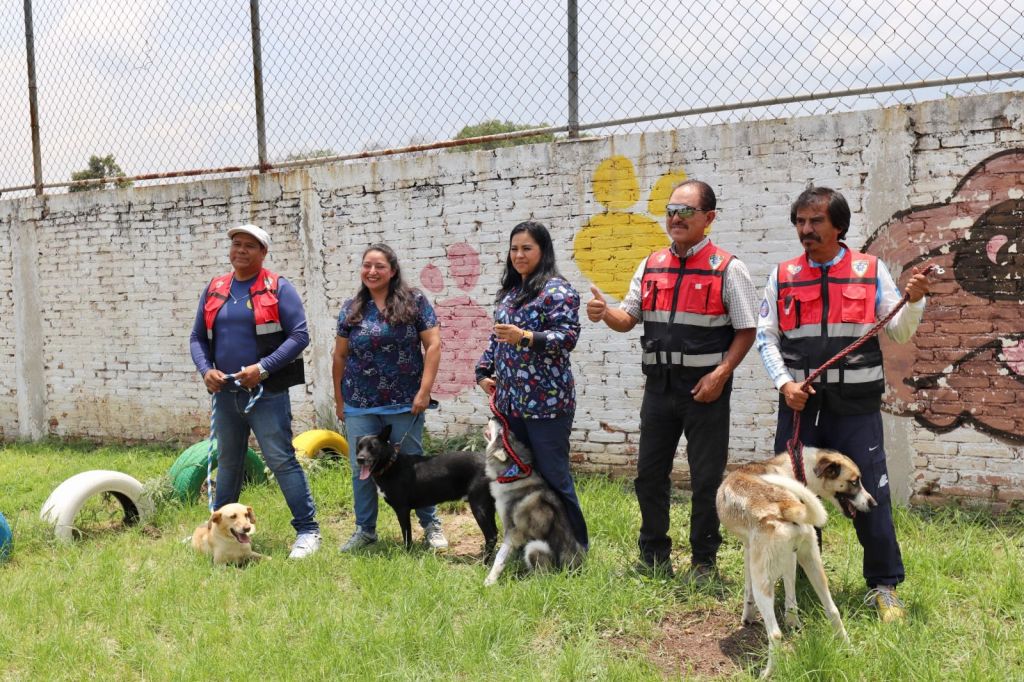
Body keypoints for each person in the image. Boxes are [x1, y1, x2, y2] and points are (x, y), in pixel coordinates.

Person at [755, 186, 929, 622]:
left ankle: (884, 587)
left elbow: (900, 331)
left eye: (815, 222)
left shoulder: (870, 271)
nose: (805, 230)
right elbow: (766, 337)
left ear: (839, 226)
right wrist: (783, 385)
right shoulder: (783, 275)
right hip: (799, 408)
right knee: (789, 495)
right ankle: (793, 581)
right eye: (800, 221)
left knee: (870, 493)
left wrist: (917, 300)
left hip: (855, 409)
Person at [587, 180, 757, 582]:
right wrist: (604, 312)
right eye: (670, 211)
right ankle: (653, 555)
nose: (675, 218)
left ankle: (703, 561)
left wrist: (719, 375)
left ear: (709, 218)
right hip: (659, 389)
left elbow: (747, 330)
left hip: (705, 392)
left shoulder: (728, 268)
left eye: (686, 211)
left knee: (704, 480)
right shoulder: (650, 265)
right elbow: (628, 319)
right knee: (649, 474)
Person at [189, 224, 321, 559]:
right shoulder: (216, 288)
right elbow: (197, 339)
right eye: (236, 244)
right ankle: (216, 534)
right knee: (229, 462)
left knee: (280, 460)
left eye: (250, 246)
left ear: (263, 253)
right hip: (226, 393)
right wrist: (207, 371)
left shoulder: (278, 288)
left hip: (267, 394)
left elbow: (300, 336)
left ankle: (307, 531)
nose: (241, 250)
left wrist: (262, 368)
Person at [476, 221, 589, 550]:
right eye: (514, 248)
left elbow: (567, 338)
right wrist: (483, 373)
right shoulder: (509, 294)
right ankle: (529, 543)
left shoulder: (558, 291)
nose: (519, 254)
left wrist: (525, 337)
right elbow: (495, 341)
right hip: (511, 405)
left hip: (548, 404)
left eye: (527, 248)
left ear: (543, 251)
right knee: (520, 478)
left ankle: (575, 548)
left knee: (554, 477)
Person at [333, 243, 448, 552]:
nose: (372, 271)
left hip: (404, 402)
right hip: (359, 402)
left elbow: (433, 346)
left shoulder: (414, 302)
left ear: (393, 270)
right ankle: (365, 531)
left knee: (414, 468)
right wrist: (339, 400)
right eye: (367, 265)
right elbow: (340, 356)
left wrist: (424, 391)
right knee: (362, 469)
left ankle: (430, 525)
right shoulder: (352, 307)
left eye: (379, 266)